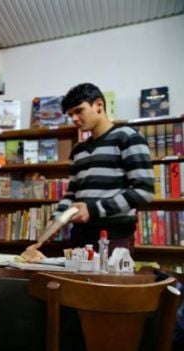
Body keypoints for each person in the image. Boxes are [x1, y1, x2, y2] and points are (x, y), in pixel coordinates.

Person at [48, 82, 154, 252]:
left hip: (114, 237)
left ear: (99, 105)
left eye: (79, 111)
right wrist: (57, 218)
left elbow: (144, 191)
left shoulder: (127, 137)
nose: (74, 118)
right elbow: (72, 193)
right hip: (79, 237)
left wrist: (93, 209)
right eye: (70, 114)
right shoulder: (78, 149)